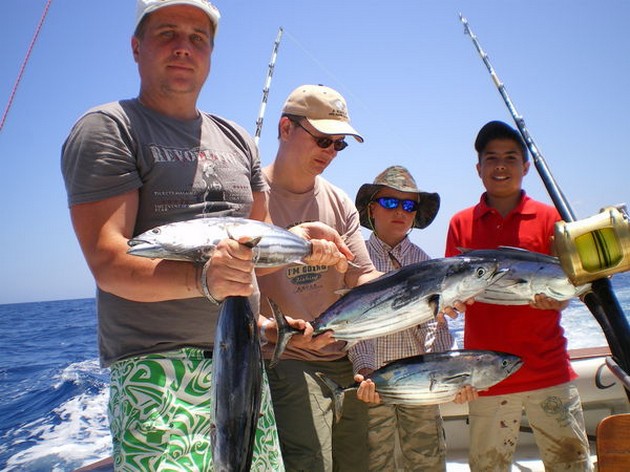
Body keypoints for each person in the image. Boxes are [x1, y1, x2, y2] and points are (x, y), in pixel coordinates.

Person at [60, 3, 350, 470]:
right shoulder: (109, 129)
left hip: (245, 357)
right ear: (136, 47)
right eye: (167, 33)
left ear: (211, 53)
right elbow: (109, 262)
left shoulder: (238, 139)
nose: (183, 47)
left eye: (198, 38)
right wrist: (205, 280)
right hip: (157, 369)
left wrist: (295, 240)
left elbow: (255, 257)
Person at [444, 120, 592, 471]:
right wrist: (449, 305)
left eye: (510, 157)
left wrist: (561, 300)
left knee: (571, 465)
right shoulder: (460, 224)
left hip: (549, 370)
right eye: (491, 158)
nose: (500, 166)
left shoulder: (551, 217)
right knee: (488, 467)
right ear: (478, 168)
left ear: (526, 166)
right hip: (487, 375)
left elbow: (567, 282)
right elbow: (449, 291)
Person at [255, 84, 383, 472]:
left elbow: (364, 279)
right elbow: (237, 272)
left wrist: (429, 293)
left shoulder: (340, 202)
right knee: (311, 462)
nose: (329, 153)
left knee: (356, 463)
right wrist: (298, 247)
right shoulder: (250, 196)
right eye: (323, 140)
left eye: (338, 145)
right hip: (284, 356)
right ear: (284, 128)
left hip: (342, 356)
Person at [348, 165, 455, 471]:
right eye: (390, 203)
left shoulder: (428, 263)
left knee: (428, 462)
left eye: (409, 205)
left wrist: (444, 370)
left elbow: (437, 327)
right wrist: (365, 368)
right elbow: (355, 326)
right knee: (375, 463)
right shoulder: (357, 261)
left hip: (420, 386)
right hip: (372, 384)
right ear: (371, 208)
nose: (400, 211)